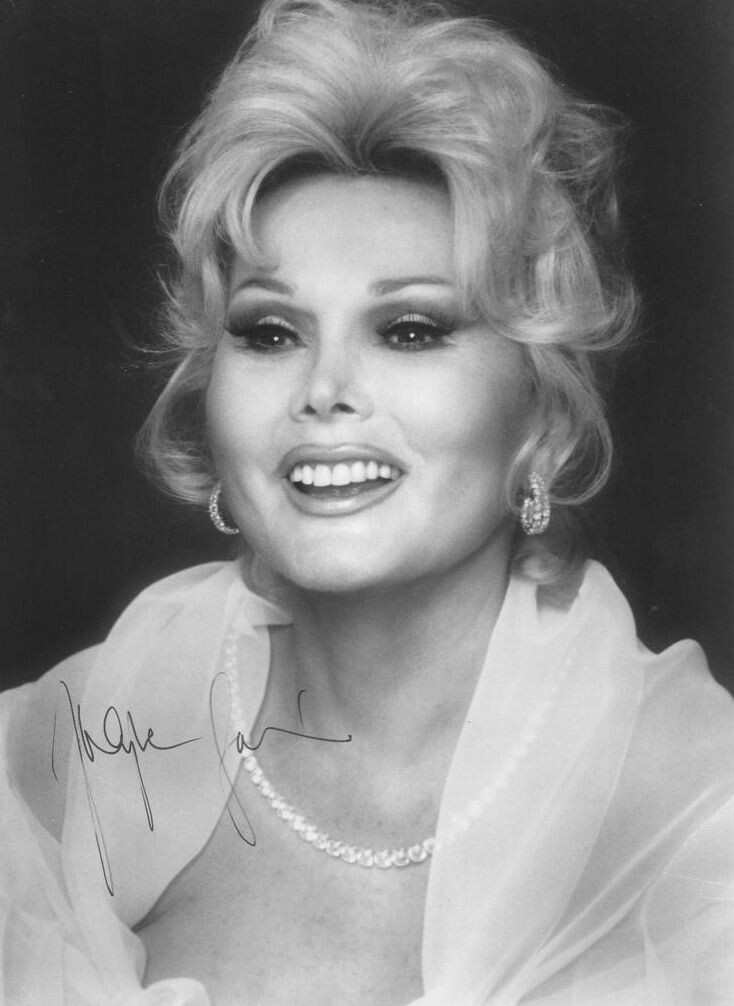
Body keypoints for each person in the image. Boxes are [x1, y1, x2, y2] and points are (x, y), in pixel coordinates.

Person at [2, 0, 732, 1003]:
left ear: (544, 414)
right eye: (269, 332)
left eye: (411, 330)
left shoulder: (696, 809)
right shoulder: (64, 754)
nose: (323, 389)